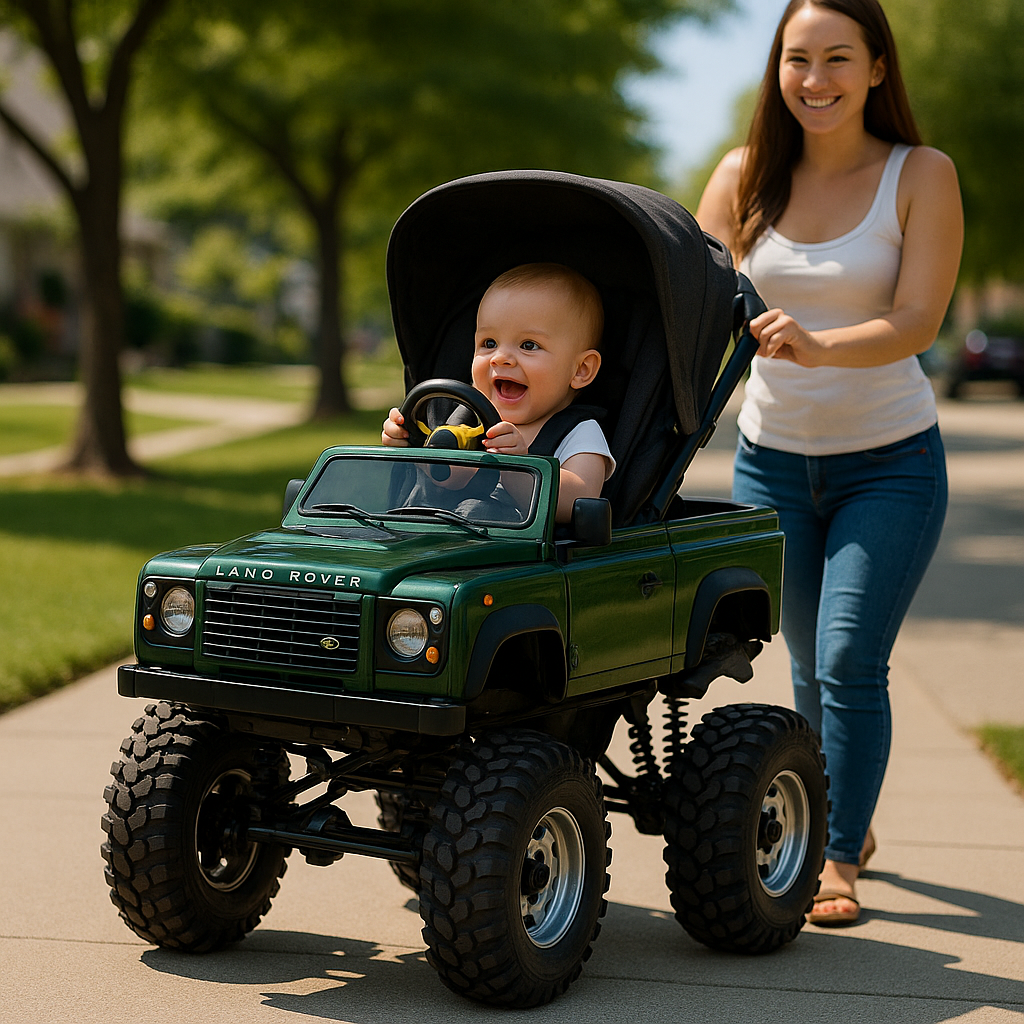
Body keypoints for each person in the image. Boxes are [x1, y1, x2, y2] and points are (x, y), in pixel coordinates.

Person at [695, 0, 963, 925]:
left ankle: (836, 855)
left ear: (878, 68)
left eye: (838, 58)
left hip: (889, 462)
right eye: (797, 58)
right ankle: (843, 813)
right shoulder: (742, 176)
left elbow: (919, 319)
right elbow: (691, 297)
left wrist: (819, 345)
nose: (815, 80)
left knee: (849, 657)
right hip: (772, 462)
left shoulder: (919, 174)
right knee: (807, 663)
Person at [382, 262, 615, 522]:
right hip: (426, 531)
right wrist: (409, 445)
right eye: (489, 343)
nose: (500, 357)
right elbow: (431, 480)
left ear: (581, 369)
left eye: (529, 345)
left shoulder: (580, 433)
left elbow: (578, 500)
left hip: (512, 545)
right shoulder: (457, 416)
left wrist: (517, 469)